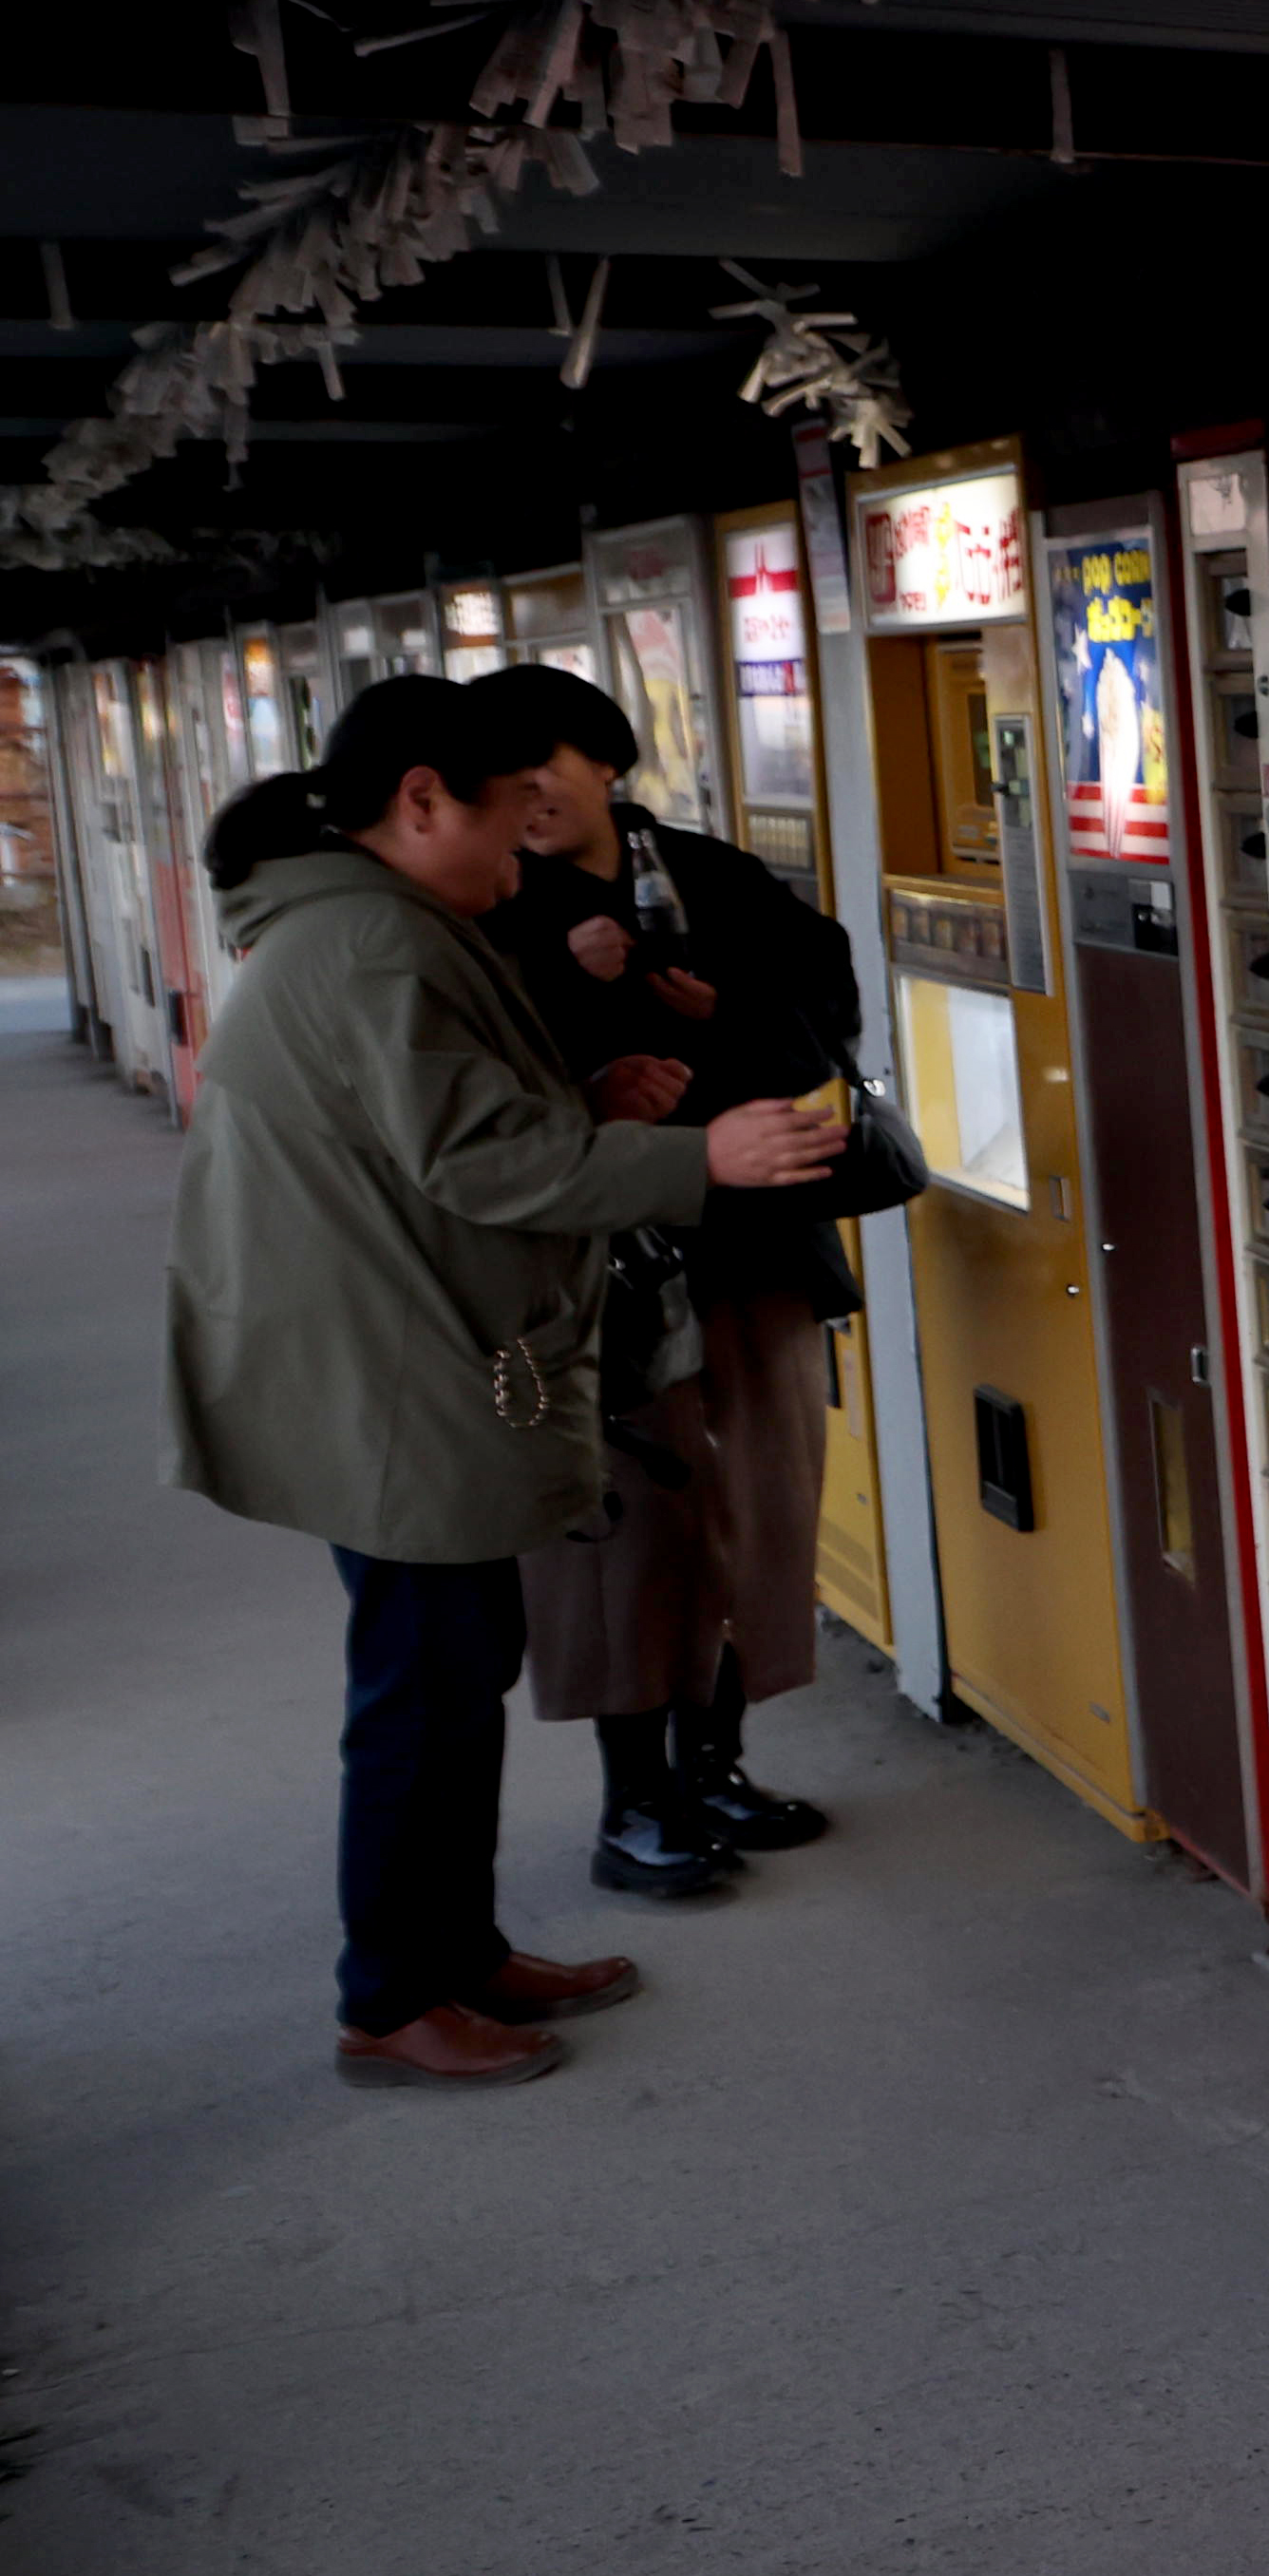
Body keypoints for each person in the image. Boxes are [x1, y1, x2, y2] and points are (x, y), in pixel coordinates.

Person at [163, 672, 843, 2090]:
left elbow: (445, 1132)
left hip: (395, 1350)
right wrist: (695, 1159)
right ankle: (393, 1997)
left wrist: (588, 1109)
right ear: (422, 801)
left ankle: (455, 1952)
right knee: (420, 1688)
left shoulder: (378, 923)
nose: (522, 850)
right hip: (386, 1372)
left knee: (453, 1670)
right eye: (505, 818)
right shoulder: (370, 946)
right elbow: (477, 1166)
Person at [482, 669, 866, 1896]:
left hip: (753, 1249)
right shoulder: (492, 911)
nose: (531, 792)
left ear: (606, 760)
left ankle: (716, 1768)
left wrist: (730, 1003)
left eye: (548, 760)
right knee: (627, 1538)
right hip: (608, 1272)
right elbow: (482, 1101)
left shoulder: (714, 873)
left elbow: (832, 1005)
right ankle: (632, 1803)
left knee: (757, 1504)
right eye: (508, 774)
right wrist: (579, 990)